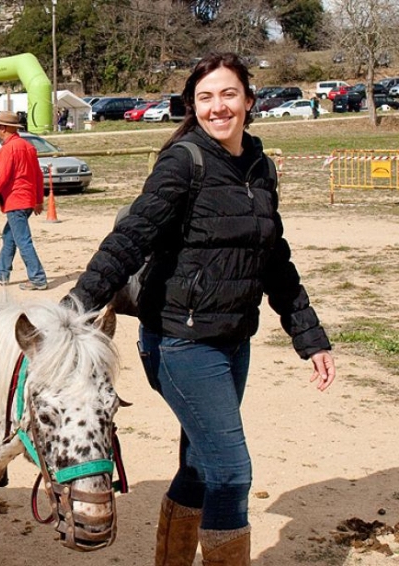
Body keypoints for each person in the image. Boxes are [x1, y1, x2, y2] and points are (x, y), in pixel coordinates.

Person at [65, 53, 336, 565]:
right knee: (231, 472)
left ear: (249, 101)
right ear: (193, 105)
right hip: (178, 343)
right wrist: (73, 307)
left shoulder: (259, 164)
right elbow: (129, 238)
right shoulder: (183, 161)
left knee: (200, 464)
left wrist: (311, 337)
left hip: (233, 339)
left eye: (229, 94)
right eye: (206, 98)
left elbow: (273, 255)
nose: (218, 107)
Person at [0, 110, 48, 290]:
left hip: (15, 201)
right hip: (26, 200)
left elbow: (0, 178)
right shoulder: (28, 147)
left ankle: (38, 278)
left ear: (3, 128)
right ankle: (2, 273)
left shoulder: (8, 149)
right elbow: (38, 176)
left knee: (22, 240)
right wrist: (38, 200)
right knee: (10, 236)